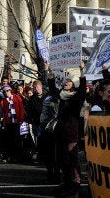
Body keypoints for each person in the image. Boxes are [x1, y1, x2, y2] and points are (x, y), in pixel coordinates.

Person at [47, 62, 87, 196]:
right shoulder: (62, 96)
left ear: (74, 84)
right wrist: (50, 73)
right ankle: (67, 183)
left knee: (72, 159)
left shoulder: (77, 97)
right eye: (65, 81)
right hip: (61, 132)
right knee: (63, 160)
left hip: (71, 133)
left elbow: (82, 89)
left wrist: (82, 71)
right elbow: (52, 89)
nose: (66, 82)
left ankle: (75, 184)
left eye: (69, 81)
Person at [0, 84, 25, 162]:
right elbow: (3, 111)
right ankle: (9, 156)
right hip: (8, 122)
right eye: (4, 91)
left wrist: (21, 119)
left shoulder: (17, 97)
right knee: (9, 139)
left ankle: (16, 156)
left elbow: (21, 108)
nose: (6, 93)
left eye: (7, 91)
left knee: (17, 139)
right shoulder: (3, 100)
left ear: (10, 90)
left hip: (16, 121)